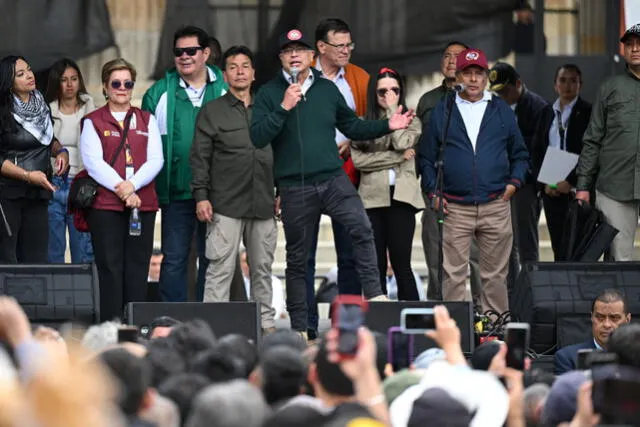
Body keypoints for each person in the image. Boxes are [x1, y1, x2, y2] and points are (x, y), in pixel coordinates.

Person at [251, 29, 413, 338]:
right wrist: (284, 106)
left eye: (300, 50)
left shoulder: (326, 89)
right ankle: (300, 327)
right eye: (288, 51)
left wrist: (387, 125)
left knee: (362, 227)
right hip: (295, 186)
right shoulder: (270, 93)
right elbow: (258, 136)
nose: (295, 55)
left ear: (312, 55)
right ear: (281, 58)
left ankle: (374, 296)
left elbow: (352, 126)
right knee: (298, 260)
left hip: (332, 178)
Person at [419, 48, 529, 315]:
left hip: (495, 204)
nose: (472, 79)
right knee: (453, 276)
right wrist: (433, 191)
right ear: (457, 77)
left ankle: (495, 330)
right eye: (466, 73)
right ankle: (454, 333)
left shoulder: (500, 108)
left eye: (477, 73)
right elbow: (426, 156)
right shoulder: (443, 109)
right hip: (454, 207)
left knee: (495, 276)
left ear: (485, 77)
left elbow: (520, 153)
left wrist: (514, 183)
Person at [190, 45, 278, 333]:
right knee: (219, 269)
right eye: (232, 67)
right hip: (225, 203)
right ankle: (213, 328)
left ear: (253, 73)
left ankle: (265, 324)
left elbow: (283, 152)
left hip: (264, 202)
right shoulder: (212, 111)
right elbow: (200, 157)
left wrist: (283, 192)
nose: (239, 71)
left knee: (263, 269)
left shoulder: (270, 109)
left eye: (245, 66)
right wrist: (201, 196)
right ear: (224, 75)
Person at [142, 25, 227, 303]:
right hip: (176, 191)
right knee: (174, 259)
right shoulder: (157, 93)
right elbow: (144, 144)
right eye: (179, 52)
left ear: (206, 53)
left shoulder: (226, 88)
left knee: (214, 260)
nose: (185, 56)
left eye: (191, 51)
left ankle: (211, 318)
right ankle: (171, 323)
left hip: (218, 193)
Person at [81, 58, 164, 322]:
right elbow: (93, 163)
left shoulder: (146, 119)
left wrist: (133, 186)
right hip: (106, 205)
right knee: (109, 267)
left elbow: (156, 160)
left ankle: (135, 325)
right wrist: (125, 191)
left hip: (142, 204)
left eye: (128, 83)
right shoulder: (92, 121)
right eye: (116, 83)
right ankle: (111, 326)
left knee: (138, 267)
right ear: (105, 87)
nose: (122, 88)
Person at [304, 18, 370, 340]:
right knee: (304, 255)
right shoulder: (301, 76)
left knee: (350, 252)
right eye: (340, 45)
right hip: (306, 173)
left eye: (349, 45)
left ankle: (347, 327)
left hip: (346, 171)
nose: (346, 51)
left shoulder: (360, 78)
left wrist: (352, 143)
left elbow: (367, 124)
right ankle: (306, 327)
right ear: (321, 48)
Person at [415, 41, 482, 307]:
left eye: (458, 57)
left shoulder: (482, 100)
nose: (451, 61)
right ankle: (438, 308)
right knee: (436, 250)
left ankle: (482, 314)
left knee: (476, 254)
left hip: (472, 187)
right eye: (446, 56)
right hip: (437, 186)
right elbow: (420, 143)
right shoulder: (428, 100)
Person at [351, 67, 423, 301]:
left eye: (394, 90)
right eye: (383, 92)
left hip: (402, 198)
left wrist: (394, 111)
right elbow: (359, 160)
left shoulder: (412, 120)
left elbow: (403, 143)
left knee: (402, 263)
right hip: (372, 199)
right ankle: (377, 322)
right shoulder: (363, 123)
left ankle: (411, 322)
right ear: (374, 93)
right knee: (376, 264)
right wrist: (395, 159)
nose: (388, 95)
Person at [576, 24, 640, 261]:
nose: (634, 49)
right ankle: (617, 300)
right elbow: (592, 140)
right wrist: (583, 186)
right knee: (617, 259)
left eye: (639, 44)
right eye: (629, 44)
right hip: (614, 186)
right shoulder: (609, 88)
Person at [0, 55, 69, 263]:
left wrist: (61, 151)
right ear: (8, 83)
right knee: (8, 259)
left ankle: (31, 298)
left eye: (29, 69)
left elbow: (47, 139)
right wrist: (28, 176)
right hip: (9, 194)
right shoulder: (3, 109)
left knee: (36, 259)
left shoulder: (40, 103)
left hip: (38, 193)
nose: (29, 75)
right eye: (20, 74)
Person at [489, 62, 550, 286]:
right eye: (498, 93)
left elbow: (539, 149)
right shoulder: (495, 106)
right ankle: (512, 292)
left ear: (518, 84)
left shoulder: (538, 107)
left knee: (526, 240)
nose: (503, 97)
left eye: (506, 91)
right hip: (499, 182)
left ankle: (532, 288)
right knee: (503, 241)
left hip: (525, 183)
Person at [536, 64, 591, 260]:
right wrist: (545, 184)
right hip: (551, 189)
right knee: (558, 247)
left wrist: (572, 181)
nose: (567, 85)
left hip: (578, 191)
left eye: (573, 80)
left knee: (579, 247)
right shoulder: (546, 113)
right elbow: (537, 151)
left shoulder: (588, 113)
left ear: (580, 85)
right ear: (555, 85)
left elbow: (591, 152)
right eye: (563, 80)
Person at [45, 58, 95, 264]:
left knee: (82, 250)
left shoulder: (90, 107)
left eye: (74, 79)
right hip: (54, 183)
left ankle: (83, 296)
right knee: (54, 249)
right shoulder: (47, 109)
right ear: (57, 82)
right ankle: (53, 296)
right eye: (64, 79)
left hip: (81, 184)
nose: (69, 84)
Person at [554, 289, 631, 374]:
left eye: (614, 318)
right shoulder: (568, 357)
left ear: (627, 319)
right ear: (592, 317)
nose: (607, 325)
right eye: (600, 317)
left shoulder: (636, 356)